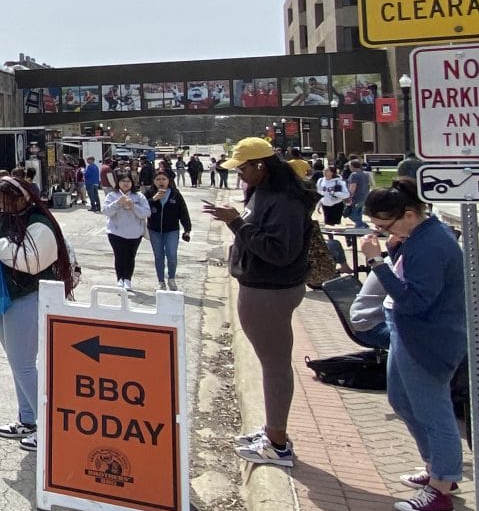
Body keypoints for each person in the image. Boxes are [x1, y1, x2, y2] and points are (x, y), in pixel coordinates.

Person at [207, 139, 318, 468]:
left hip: (271, 290)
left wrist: (235, 222)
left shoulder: (284, 201)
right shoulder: (263, 193)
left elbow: (278, 252)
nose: (240, 175)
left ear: (262, 166)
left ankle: (278, 443)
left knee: (274, 366)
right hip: (260, 286)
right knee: (271, 363)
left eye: (243, 168)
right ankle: (272, 431)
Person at [358, 181, 467, 511]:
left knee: (433, 411)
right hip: (407, 334)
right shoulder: (418, 237)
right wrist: (392, 252)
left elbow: (415, 299)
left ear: (409, 214)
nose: (379, 231)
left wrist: (377, 263)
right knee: (402, 400)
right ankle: (437, 468)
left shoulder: (431, 243)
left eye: (384, 225)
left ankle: (442, 488)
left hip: (428, 339)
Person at [0, 177, 74, 450]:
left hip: (29, 296)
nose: (3, 204)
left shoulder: (39, 224)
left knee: (23, 363)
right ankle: (28, 419)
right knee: (15, 362)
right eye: (1, 199)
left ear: (24, 197)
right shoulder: (5, 217)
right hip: (4, 296)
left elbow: (29, 262)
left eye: (8, 199)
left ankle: (48, 427)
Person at [103, 171, 151, 291]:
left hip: (134, 233)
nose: (125, 183)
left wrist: (133, 206)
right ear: (118, 183)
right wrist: (118, 203)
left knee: (130, 256)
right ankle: (120, 278)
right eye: (123, 181)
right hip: (116, 232)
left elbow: (146, 213)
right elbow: (106, 212)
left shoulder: (139, 196)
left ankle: (128, 279)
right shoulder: (111, 196)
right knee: (119, 255)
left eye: (128, 181)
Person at [147, 169, 194, 290]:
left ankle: (171, 278)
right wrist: (154, 199)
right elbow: (142, 208)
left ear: (168, 181)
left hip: (171, 230)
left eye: (163, 179)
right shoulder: (149, 193)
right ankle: (161, 281)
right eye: (158, 179)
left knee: (171, 255)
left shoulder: (175, 194)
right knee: (158, 256)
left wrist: (187, 229)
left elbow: (183, 212)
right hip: (154, 230)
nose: (161, 182)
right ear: (154, 181)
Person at [343, 158, 371, 229]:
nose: (349, 167)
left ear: (353, 166)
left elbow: (353, 187)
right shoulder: (365, 174)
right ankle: (360, 225)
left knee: (350, 213)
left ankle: (361, 224)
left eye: (350, 166)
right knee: (359, 212)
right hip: (364, 196)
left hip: (356, 197)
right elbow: (368, 185)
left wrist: (349, 196)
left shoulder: (354, 175)